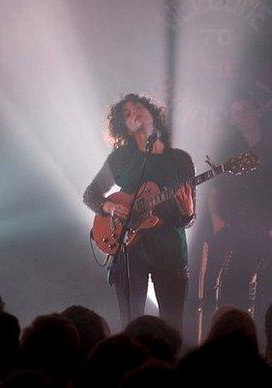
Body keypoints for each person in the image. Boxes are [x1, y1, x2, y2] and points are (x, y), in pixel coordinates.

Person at [83, 93, 195, 332]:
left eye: (138, 106)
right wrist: (111, 207)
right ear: (124, 126)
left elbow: (186, 217)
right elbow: (91, 194)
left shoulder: (180, 159)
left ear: (152, 112)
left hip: (170, 251)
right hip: (129, 250)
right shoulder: (122, 157)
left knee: (172, 329)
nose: (135, 112)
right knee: (131, 327)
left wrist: (187, 213)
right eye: (127, 113)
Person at [206, 96, 272, 315]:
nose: (241, 116)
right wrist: (217, 221)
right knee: (219, 285)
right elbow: (213, 191)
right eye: (236, 113)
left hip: (263, 226)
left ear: (257, 110)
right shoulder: (227, 149)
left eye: (245, 110)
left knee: (258, 289)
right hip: (230, 226)